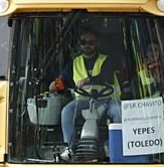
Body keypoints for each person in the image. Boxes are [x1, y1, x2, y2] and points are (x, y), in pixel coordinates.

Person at [49, 28, 122, 160]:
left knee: (118, 111)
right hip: (82, 102)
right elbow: (64, 81)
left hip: (106, 100)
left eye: (91, 42)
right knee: (66, 111)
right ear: (79, 43)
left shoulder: (106, 60)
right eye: (83, 42)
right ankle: (70, 148)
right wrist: (56, 85)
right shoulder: (74, 62)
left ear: (96, 43)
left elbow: (107, 77)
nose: (87, 45)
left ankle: (114, 147)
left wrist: (87, 80)